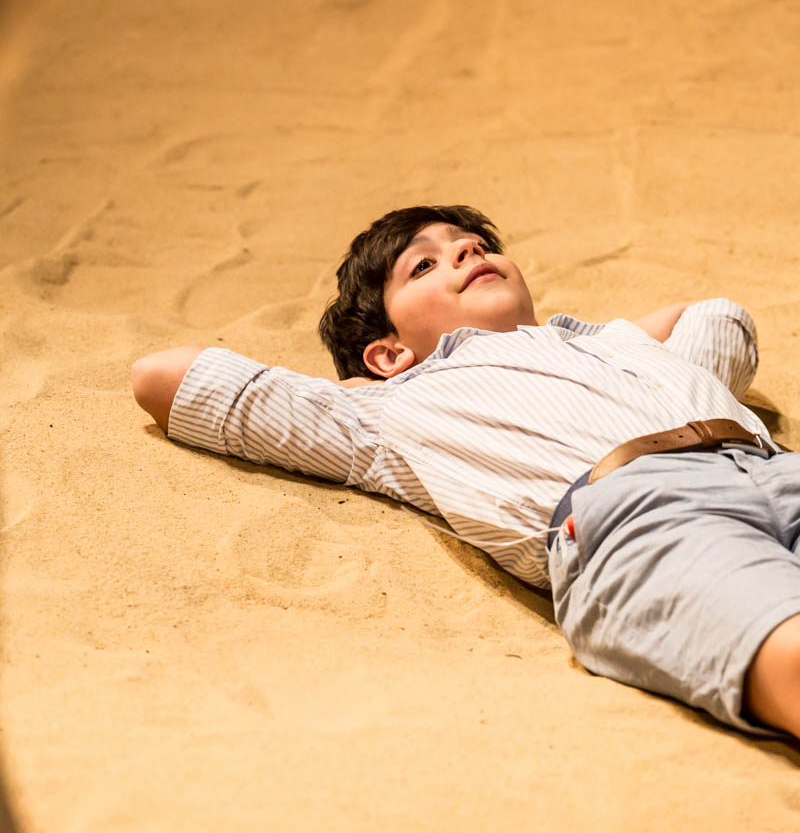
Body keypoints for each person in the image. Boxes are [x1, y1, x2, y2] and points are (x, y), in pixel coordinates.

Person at [131, 205, 800, 743]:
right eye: (425, 263)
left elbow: (715, 316)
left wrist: (589, 341)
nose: (468, 253)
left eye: (476, 244)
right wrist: (374, 382)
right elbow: (162, 377)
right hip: (638, 517)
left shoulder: (612, 346)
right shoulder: (385, 408)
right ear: (387, 351)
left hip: (774, 470)